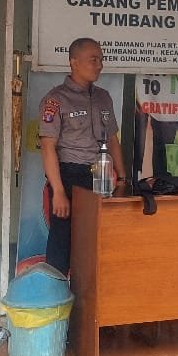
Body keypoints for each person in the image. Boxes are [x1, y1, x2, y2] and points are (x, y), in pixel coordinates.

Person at [38, 37, 126, 274]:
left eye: (101, 60)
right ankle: (56, 293)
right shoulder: (56, 99)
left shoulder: (103, 97)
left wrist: (123, 179)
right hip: (69, 176)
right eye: (93, 60)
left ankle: (91, 294)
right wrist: (58, 191)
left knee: (99, 240)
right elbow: (47, 147)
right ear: (74, 62)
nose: (99, 65)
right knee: (62, 241)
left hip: (101, 174)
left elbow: (113, 139)